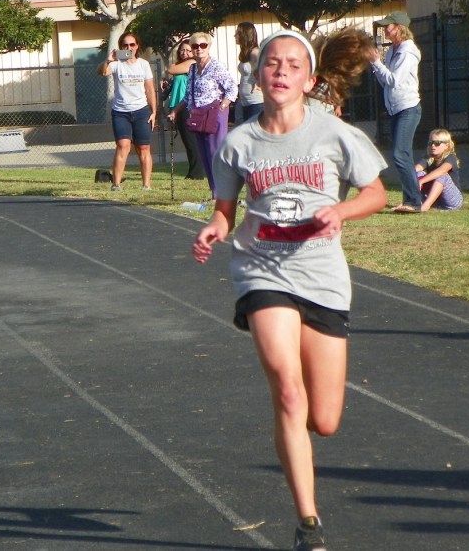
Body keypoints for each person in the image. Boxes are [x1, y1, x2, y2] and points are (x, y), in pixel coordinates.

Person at [192, 30, 387, 551]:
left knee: (323, 419)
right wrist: (216, 226)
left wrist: (341, 210)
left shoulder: (334, 133)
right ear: (258, 75)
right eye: (272, 63)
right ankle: (308, 523)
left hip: (322, 277)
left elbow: (376, 192)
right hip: (262, 271)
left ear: (310, 79)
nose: (280, 71)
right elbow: (226, 207)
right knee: (287, 386)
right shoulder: (238, 142)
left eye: (292, 65)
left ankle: (302, 451)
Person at [168, 32, 237, 198]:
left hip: (214, 113)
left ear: (208, 47)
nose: (199, 49)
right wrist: (175, 111)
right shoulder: (192, 69)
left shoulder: (216, 66)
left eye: (202, 45)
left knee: (215, 153)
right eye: (195, 46)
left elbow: (232, 88)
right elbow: (187, 96)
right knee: (204, 155)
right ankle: (214, 191)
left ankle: (223, 193)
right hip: (198, 114)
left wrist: (223, 106)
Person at [369, 10, 423, 213]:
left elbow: (394, 80)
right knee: (404, 155)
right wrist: (376, 66)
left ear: (399, 28)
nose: (385, 29)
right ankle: (412, 200)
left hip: (408, 107)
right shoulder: (392, 50)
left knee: (400, 154)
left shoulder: (407, 51)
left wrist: (376, 62)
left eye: (388, 26)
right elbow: (386, 82)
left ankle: (413, 201)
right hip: (395, 108)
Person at [98, 33, 158, 191]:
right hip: (120, 112)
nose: (129, 48)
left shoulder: (143, 64)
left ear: (137, 46)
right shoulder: (117, 64)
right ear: (121, 47)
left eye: (132, 45)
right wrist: (109, 60)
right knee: (123, 145)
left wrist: (154, 112)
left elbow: (150, 89)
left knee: (143, 148)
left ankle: (146, 185)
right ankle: (116, 184)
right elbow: (103, 72)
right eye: (125, 45)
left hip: (141, 111)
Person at [308, 27, 376, 117]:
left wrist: (337, 106)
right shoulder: (313, 65)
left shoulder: (339, 73)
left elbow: (338, 90)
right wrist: (323, 98)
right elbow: (303, 90)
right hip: (312, 110)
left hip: (327, 110)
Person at [162, 39, 206, 180]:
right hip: (178, 106)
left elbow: (170, 69)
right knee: (187, 142)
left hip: (188, 106)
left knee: (192, 141)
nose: (185, 52)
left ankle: (196, 173)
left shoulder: (192, 64)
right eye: (182, 50)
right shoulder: (184, 65)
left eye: (188, 50)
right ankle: (193, 171)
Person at [415, 128, 463, 211]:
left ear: (446, 145)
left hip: (452, 202)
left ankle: (425, 206)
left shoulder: (451, 158)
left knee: (442, 176)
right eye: (430, 143)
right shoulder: (428, 158)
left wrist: (421, 181)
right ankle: (412, 202)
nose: (433, 146)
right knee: (417, 174)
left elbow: (442, 171)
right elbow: (416, 169)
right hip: (436, 201)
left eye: (437, 143)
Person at [235, 22, 264, 123]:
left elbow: (267, 68)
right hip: (244, 101)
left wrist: (259, 83)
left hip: (256, 101)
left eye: (237, 33)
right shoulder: (245, 53)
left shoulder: (255, 52)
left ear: (245, 35)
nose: (235, 36)